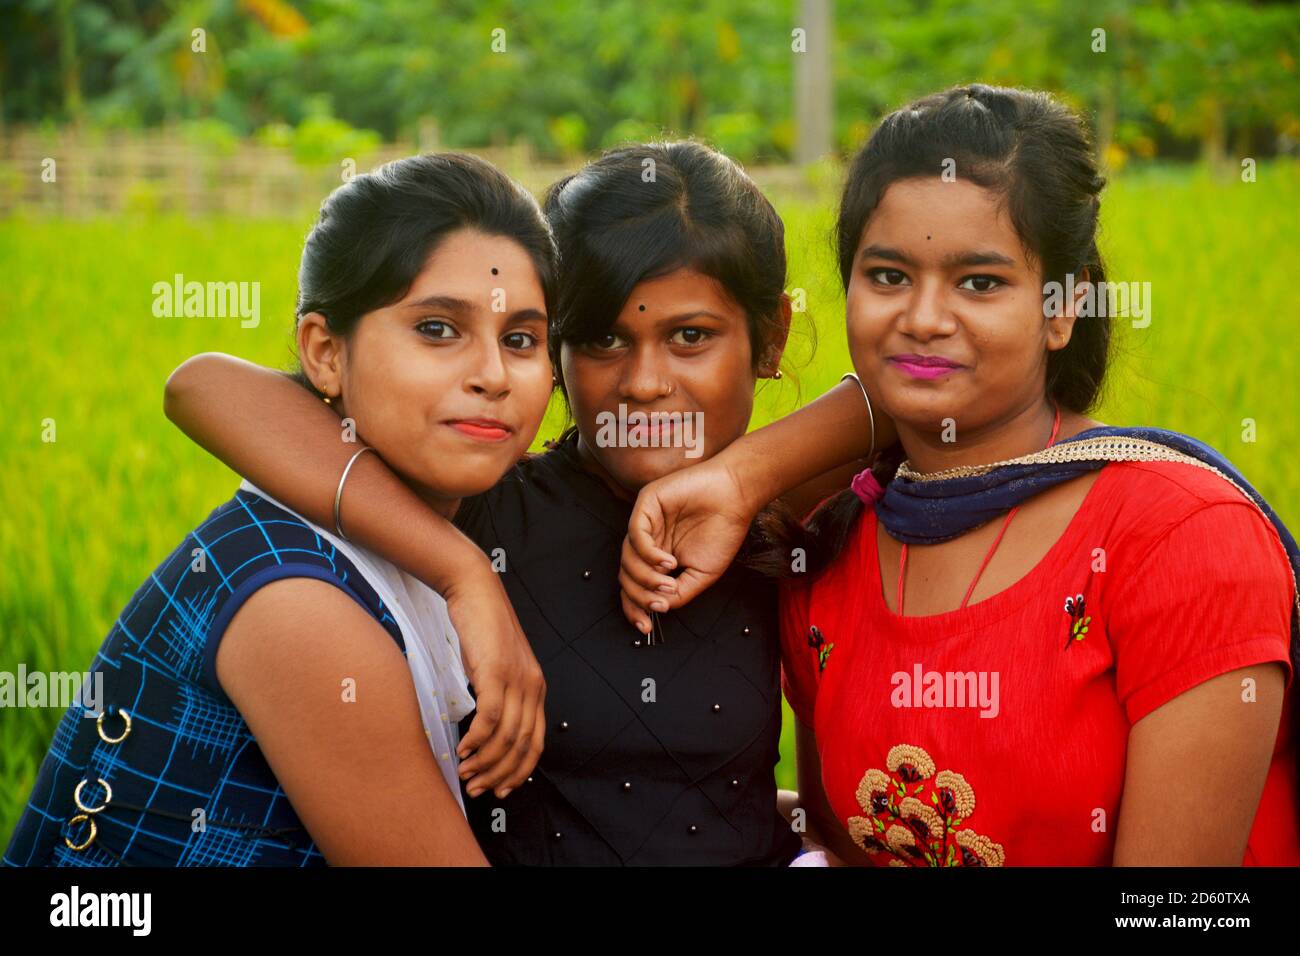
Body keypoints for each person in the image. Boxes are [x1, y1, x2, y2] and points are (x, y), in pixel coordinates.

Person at [619, 86, 1300, 866]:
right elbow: (833, 841)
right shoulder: (833, 542)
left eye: (979, 282)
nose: (924, 318)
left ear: (1061, 306)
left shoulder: (1178, 537)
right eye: (887, 276)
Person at [160, 141, 895, 864]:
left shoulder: (769, 508)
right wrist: (462, 571)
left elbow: (929, 393)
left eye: (691, 337)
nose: (643, 382)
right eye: (602, 337)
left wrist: (746, 477)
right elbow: (205, 388)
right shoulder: (481, 513)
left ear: (771, 339)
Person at [4, 152, 550, 867]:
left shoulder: (462, 516)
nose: (492, 375)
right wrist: (466, 573)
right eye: (437, 329)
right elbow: (198, 383)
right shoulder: (301, 605)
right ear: (325, 352)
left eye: (521, 340)